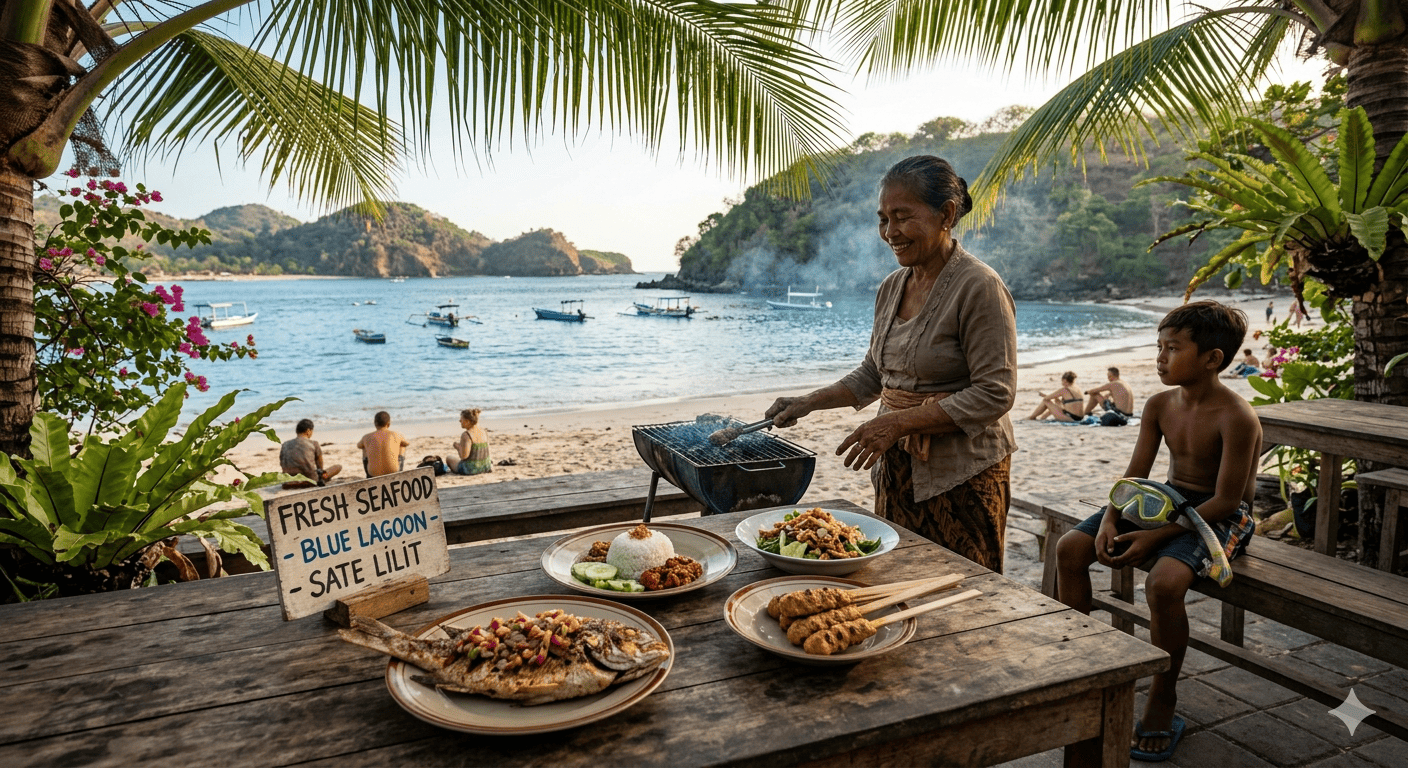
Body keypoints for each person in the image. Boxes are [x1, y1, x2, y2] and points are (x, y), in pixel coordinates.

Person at [765, 155, 1017, 571]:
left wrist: (897, 424)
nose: (890, 232)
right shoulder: (892, 286)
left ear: (946, 214)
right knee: (898, 577)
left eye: (902, 217)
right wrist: (809, 401)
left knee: (965, 590)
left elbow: (995, 394)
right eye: (883, 219)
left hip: (963, 474)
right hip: (897, 465)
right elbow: (874, 374)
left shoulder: (980, 286)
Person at [1054, 300, 1261, 762]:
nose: (1160, 358)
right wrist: (1111, 518)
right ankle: (1084, 665)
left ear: (1212, 359)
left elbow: (1229, 501)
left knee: (1165, 584)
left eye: (1173, 348)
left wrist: (1154, 535)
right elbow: (1135, 476)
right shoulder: (1159, 404)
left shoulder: (1237, 415)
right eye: (1158, 347)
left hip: (1221, 516)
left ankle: (1163, 696)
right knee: (1070, 548)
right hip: (1167, 498)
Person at [279, 419, 342, 488]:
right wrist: (321, 475)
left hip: (288, 482)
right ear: (308, 431)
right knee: (338, 467)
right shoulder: (314, 443)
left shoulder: (285, 444)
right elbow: (320, 468)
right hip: (310, 481)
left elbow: (282, 463)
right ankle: (325, 478)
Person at [357, 410, 409, 478]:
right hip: (394, 473)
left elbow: (359, 445)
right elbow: (406, 443)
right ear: (388, 424)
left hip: (373, 474)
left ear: (375, 424)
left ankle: (369, 476)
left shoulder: (366, 437)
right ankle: (399, 473)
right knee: (402, 446)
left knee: (364, 448)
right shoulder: (395, 434)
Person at [452, 408, 492, 475]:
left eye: (461, 419)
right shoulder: (483, 431)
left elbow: (464, 456)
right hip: (486, 466)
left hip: (471, 469)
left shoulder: (466, 435)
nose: (459, 421)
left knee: (449, 458)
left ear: (467, 421)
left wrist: (458, 447)